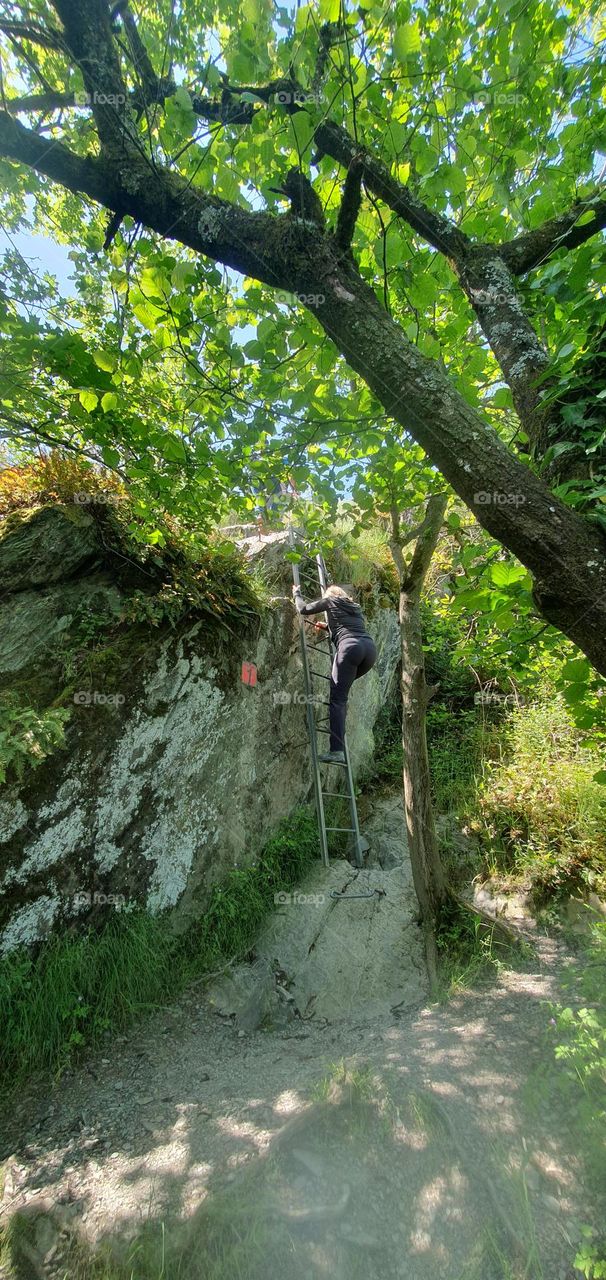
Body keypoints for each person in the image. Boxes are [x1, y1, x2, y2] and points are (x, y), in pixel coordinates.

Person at [292, 583, 377, 764]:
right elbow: (346, 627)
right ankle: (339, 734)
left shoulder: (330, 600)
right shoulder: (355, 607)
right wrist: (327, 628)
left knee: (337, 700)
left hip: (350, 649)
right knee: (341, 697)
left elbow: (303, 609)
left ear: (330, 594)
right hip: (369, 650)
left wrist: (296, 593)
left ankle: (337, 751)